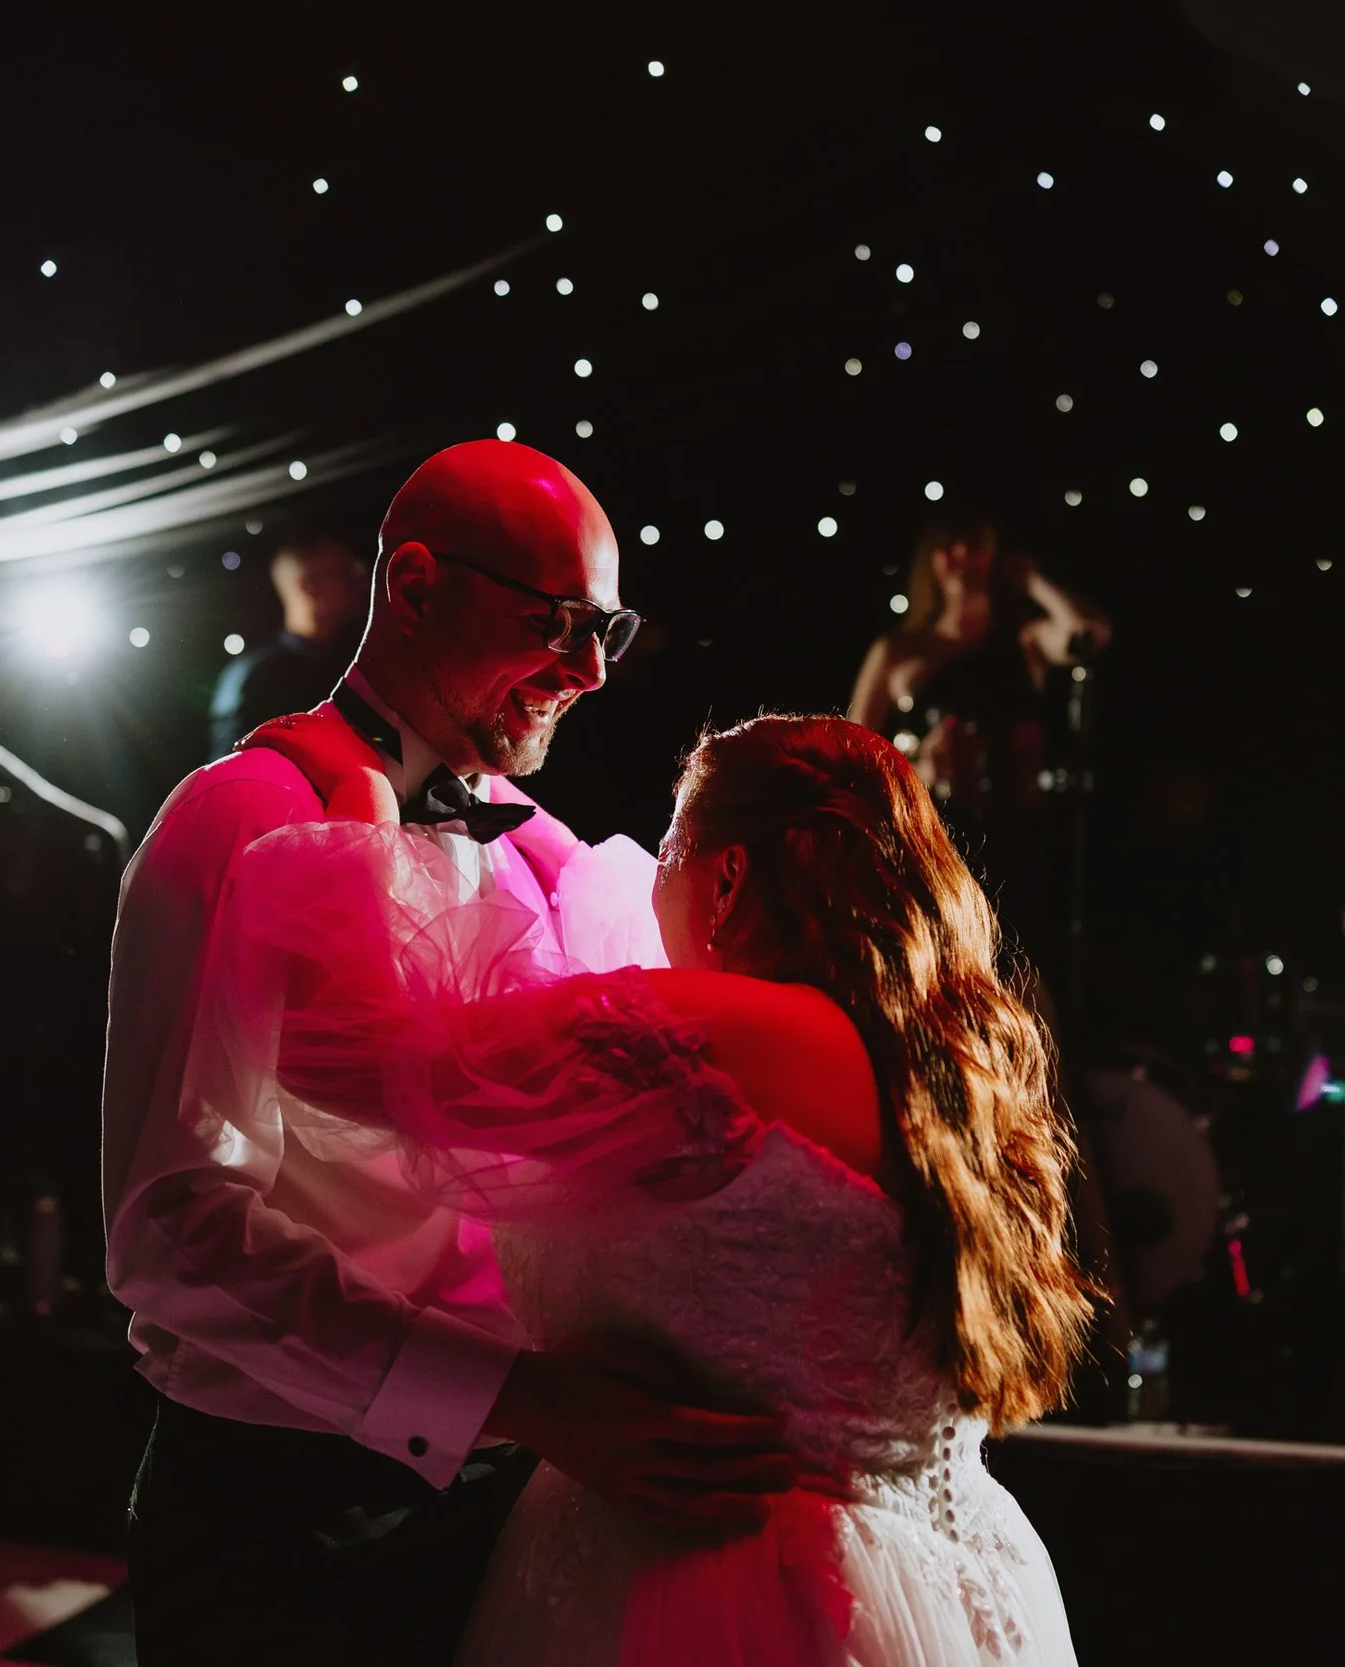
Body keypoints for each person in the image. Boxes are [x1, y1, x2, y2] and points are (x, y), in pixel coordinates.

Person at [103, 441, 799, 1666]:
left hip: (515, 1493)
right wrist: (516, 1399)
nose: (588, 671)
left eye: (608, 631)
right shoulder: (239, 818)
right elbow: (171, 1233)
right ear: (415, 585)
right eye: (558, 622)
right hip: (283, 1513)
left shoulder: (544, 850)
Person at [220, 707, 1093, 1665]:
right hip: (941, 1573)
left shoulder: (716, 1037)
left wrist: (360, 811)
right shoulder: (953, 1060)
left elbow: (341, 1051)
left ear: (729, 875)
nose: (649, 876)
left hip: (727, 1593)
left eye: (670, 844)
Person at [848, 514, 1110, 995]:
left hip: (1015, 829)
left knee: (1016, 971)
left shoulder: (1023, 639)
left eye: (975, 546)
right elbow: (851, 749)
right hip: (931, 828)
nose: (963, 558)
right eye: (951, 546)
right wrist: (913, 771)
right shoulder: (901, 649)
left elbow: (1088, 634)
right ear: (931, 559)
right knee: (939, 966)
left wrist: (1031, 581)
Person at [206, 534, 370, 761]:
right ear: (308, 586)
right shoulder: (254, 680)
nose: (361, 584)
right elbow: (234, 775)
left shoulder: (352, 661)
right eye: (344, 574)